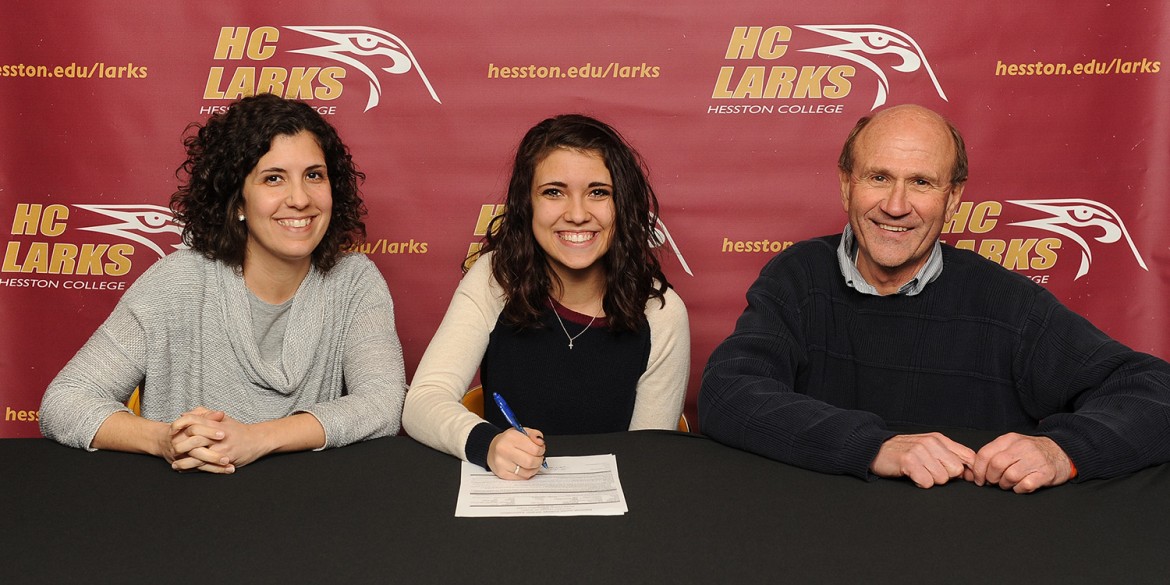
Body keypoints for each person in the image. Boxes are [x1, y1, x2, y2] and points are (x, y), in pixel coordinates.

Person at [699, 104, 1170, 493]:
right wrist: (875, 446)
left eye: (922, 182)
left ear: (953, 198)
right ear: (846, 184)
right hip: (820, 544)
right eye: (878, 177)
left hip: (963, 551)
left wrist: (1062, 451)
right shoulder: (798, 276)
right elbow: (728, 393)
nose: (897, 205)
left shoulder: (1005, 302)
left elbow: (1155, 392)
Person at [40, 93, 407, 473]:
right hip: (187, 504)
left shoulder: (355, 281)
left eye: (314, 175)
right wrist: (164, 440)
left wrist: (256, 438)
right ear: (237, 202)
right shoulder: (177, 281)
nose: (300, 199)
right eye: (273, 178)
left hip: (304, 508)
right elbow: (65, 401)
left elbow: (382, 404)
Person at [402, 114, 690, 479]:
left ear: (623, 206)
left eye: (598, 192)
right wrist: (487, 444)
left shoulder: (661, 314)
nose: (577, 214)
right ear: (528, 204)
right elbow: (423, 401)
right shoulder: (495, 279)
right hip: (508, 498)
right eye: (554, 192)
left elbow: (647, 460)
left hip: (613, 511)